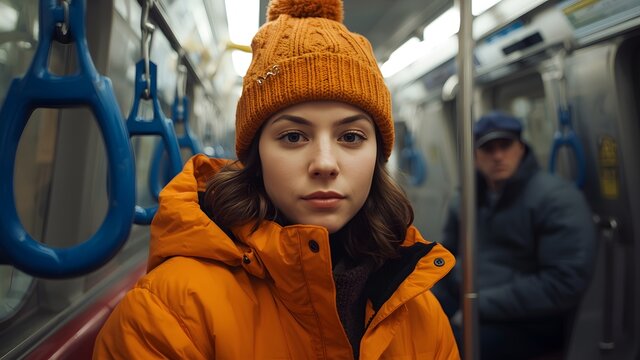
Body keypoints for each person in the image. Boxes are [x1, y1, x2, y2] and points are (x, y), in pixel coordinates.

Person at [93, 0, 459, 358]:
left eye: (351, 137)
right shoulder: (169, 315)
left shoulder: (418, 312)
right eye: (293, 137)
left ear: (377, 155)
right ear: (257, 156)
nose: (324, 163)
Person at [433, 111, 596, 359]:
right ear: (475, 156)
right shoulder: (465, 198)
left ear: (521, 148)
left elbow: (564, 282)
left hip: (529, 319)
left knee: (450, 346)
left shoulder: (556, 199)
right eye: (488, 149)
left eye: (505, 146)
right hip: (467, 300)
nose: (498, 156)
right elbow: (446, 256)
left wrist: (476, 306)